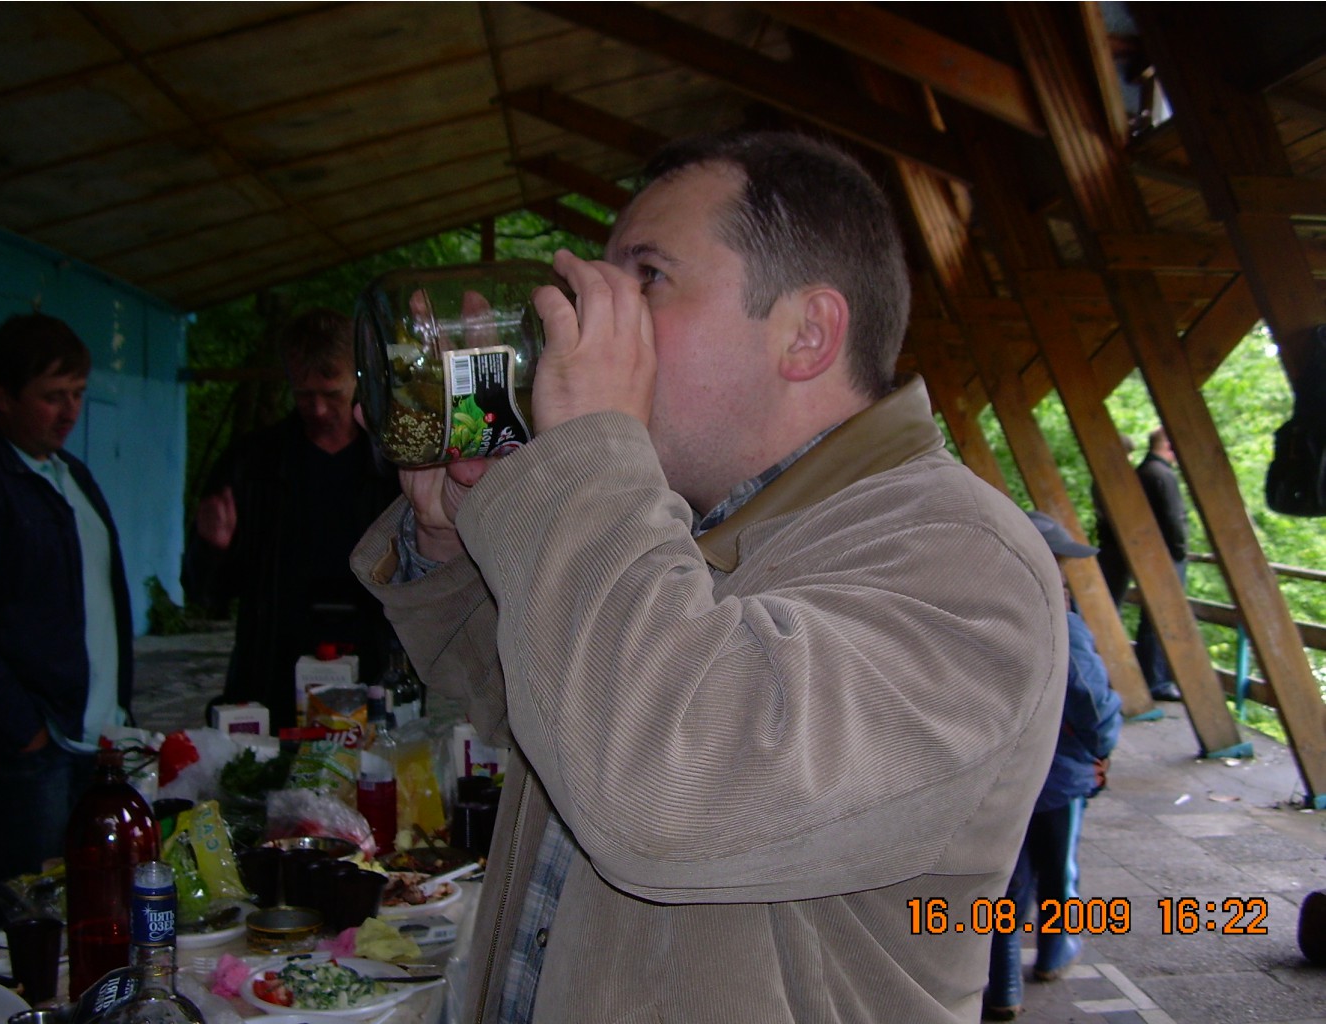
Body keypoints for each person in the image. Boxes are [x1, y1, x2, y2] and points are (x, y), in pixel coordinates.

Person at [351, 130, 1067, 1023]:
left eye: (645, 277)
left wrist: (584, 473)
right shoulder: (680, 516)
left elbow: (657, 796)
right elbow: (544, 716)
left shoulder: (963, 561)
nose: (584, 312)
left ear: (806, 334)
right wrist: (459, 538)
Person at [0, 313, 135, 929]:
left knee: (94, 906)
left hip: (93, 740)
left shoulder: (68, 473)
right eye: (52, 396)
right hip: (30, 750)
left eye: (78, 394)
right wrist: (22, 727)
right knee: (29, 918)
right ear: (3, 397)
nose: (70, 413)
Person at [183, 309, 399, 731]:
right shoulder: (251, 464)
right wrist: (212, 549)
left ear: (359, 378)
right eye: (303, 395)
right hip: (271, 675)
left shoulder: (394, 466)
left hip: (374, 668)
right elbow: (204, 594)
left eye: (331, 394)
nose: (316, 409)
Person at [983, 511, 1124, 1021]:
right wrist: (1101, 750)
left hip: (995, 777)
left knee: (1005, 881)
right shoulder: (1060, 623)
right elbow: (1090, 700)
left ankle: (1002, 986)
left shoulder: (977, 615)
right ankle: (1055, 951)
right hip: (1058, 776)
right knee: (1059, 870)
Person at [1134, 426, 1186, 701]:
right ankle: (1157, 680)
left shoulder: (1143, 471)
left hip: (1149, 554)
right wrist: (1180, 551)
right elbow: (1174, 518)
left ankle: (1149, 675)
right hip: (1165, 557)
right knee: (1163, 617)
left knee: (1151, 618)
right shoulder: (1161, 474)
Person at [1092, 433, 1136, 605]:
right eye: (1128, 453)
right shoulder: (1113, 482)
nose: (1131, 459)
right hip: (1116, 547)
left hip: (1109, 544)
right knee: (1112, 599)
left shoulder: (1101, 477)